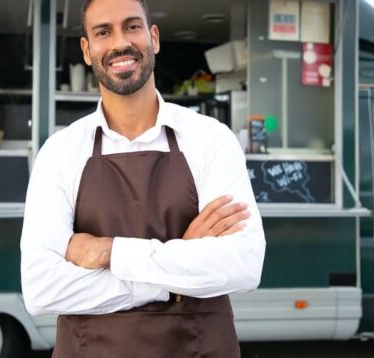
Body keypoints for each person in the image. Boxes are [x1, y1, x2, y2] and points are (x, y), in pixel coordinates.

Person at [20, 0, 266, 356]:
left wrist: (108, 251)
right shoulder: (60, 152)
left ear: (154, 38)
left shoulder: (210, 139)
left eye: (132, 26)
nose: (120, 42)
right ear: (87, 51)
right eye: (103, 32)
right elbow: (42, 289)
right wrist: (175, 274)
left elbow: (242, 265)